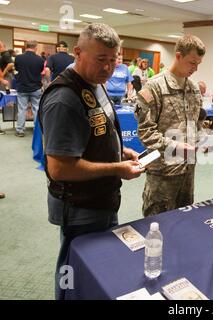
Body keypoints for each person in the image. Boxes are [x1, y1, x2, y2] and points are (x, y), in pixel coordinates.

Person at [38, 23, 144, 300]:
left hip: (102, 197)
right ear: (77, 53)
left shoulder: (95, 84)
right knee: (73, 271)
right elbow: (60, 168)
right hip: (79, 205)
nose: (108, 68)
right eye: (101, 60)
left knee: (98, 265)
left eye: (113, 60)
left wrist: (120, 154)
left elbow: (95, 137)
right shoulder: (64, 98)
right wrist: (117, 168)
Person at [135, 34, 206, 216]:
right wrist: (176, 146)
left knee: (184, 222)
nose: (195, 68)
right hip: (163, 173)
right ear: (178, 56)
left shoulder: (193, 88)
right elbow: (146, 133)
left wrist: (203, 139)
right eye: (192, 62)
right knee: (157, 225)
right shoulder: (154, 87)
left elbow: (196, 124)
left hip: (188, 171)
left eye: (198, 64)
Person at [14, 40, 45, 137]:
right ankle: (37, 130)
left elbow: (17, 69)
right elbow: (41, 72)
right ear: (35, 47)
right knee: (36, 109)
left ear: (26, 46)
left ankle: (20, 130)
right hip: (36, 88)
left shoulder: (18, 58)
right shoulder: (40, 60)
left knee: (22, 109)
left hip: (22, 87)